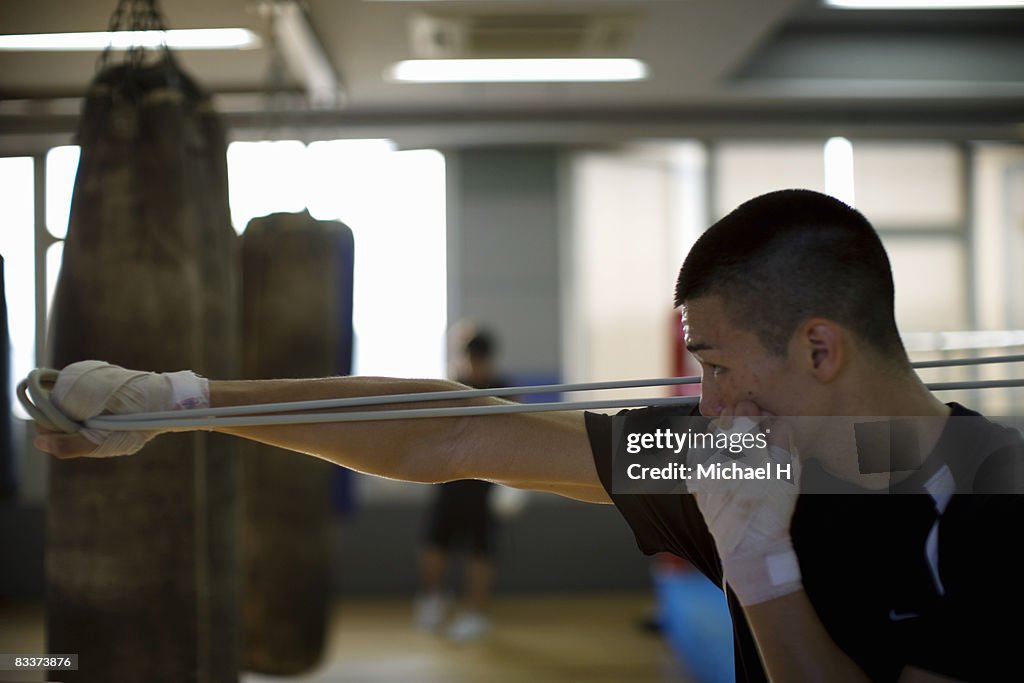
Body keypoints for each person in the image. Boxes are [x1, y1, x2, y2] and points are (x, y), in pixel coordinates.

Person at [35, 189, 1023, 682]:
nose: (707, 398)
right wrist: (183, 401)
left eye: (718, 365)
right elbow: (457, 432)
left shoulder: (992, 498)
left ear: (817, 345)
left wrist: (759, 564)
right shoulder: (737, 455)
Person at [415, 324, 508, 641]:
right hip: (451, 478)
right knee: (436, 542)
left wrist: (514, 485)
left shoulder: (503, 389)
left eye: (478, 357)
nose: (474, 363)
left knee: (481, 550)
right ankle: (432, 600)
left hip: (486, 484)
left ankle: (477, 613)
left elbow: (518, 439)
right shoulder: (452, 387)